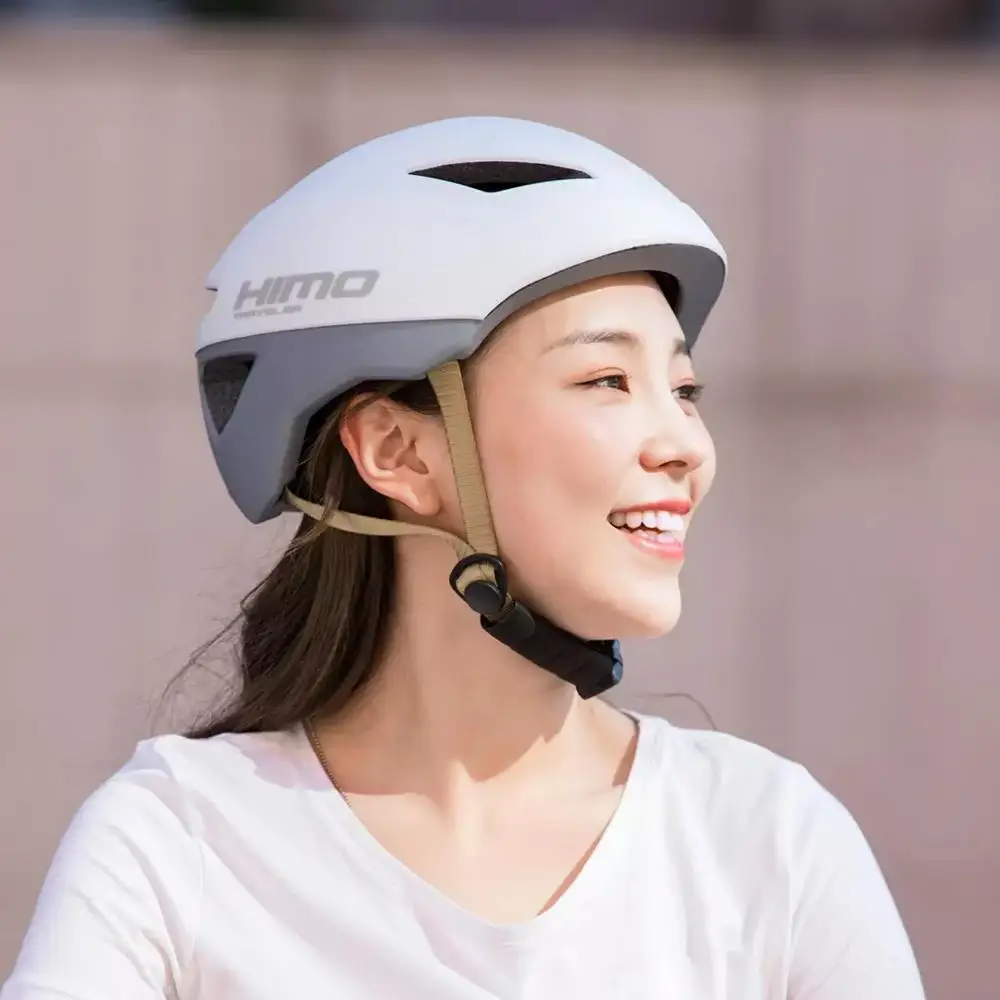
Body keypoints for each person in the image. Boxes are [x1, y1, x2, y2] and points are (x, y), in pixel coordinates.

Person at [1, 116, 926, 999]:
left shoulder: (768, 843)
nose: (686, 445)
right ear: (397, 452)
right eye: (608, 379)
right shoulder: (179, 844)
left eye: (684, 389)